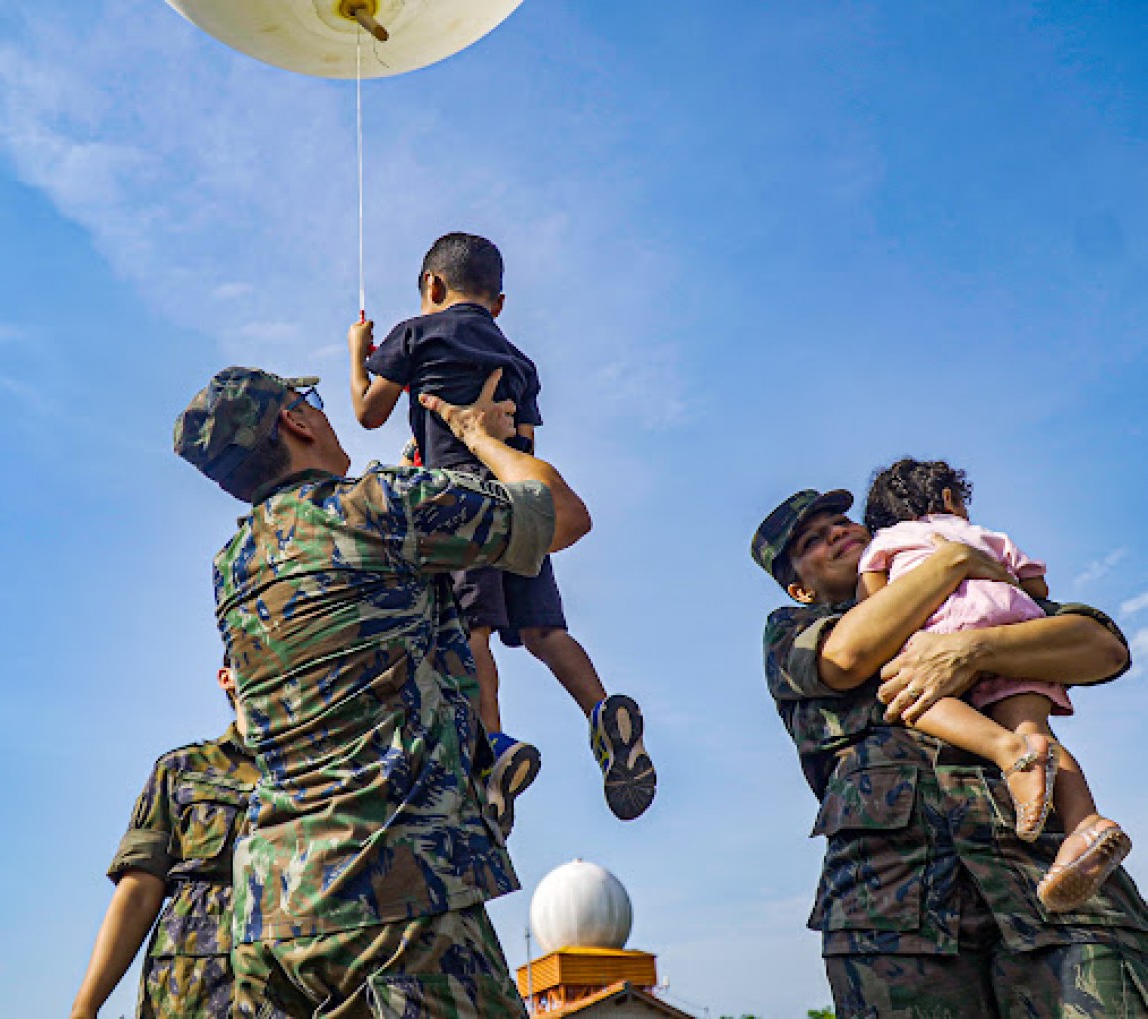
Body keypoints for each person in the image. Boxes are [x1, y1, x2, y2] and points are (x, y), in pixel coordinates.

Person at [173, 363, 591, 1018]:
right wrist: (478, 436)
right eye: (308, 397)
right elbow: (562, 516)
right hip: (396, 897)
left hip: (271, 915)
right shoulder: (379, 505)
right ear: (296, 419)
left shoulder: (235, 565)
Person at [751, 488, 1148, 1018]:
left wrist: (974, 648)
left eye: (842, 523)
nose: (838, 534)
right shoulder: (793, 629)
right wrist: (955, 556)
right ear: (800, 588)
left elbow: (1102, 648)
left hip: (1051, 875)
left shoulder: (973, 601)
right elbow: (846, 657)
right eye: (813, 541)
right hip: (892, 906)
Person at [346, 231, 656, 822]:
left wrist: (359, 352)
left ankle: (493, 751)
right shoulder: (519, 361)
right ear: (500, 303)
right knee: (543, 632)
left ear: (431, 287)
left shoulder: (414, 334)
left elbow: (367, 411)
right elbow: (526, 444)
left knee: (473, 632)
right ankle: (600, 712)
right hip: (518, 501)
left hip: (457, 508)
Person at [858, 458, 1130, 912]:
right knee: (1037, 732)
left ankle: (1005, 751)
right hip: (1016, 626)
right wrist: (997, 578)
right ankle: (1085, 824)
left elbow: (873, 601)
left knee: (913, 694)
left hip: (942, 626)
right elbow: (1038, 587)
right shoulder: (991, 537)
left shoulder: (887, 541)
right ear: (949, 498)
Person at [69, 663, 258, 1019]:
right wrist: (86, 1006)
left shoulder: (324, 772)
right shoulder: (183, 769)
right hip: (191, 991)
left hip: (297, 988)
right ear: (225, 678)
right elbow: (139, 892)